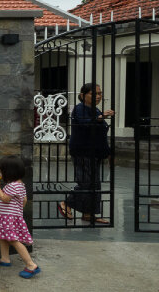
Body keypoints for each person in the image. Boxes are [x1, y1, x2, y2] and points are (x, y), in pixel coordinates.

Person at [60, 83, 113, 224]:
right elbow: (85, 124)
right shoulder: (79, 109)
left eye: (100, 93)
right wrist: (101, 117)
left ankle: (89, 214)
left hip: (94, 153)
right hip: (82, 151)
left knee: (95, 184)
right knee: (85, 182)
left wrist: (107, 152)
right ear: (83, 96)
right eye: (94, 93)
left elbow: (100, 134)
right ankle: (66, 203)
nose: (98, 96)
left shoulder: (94, 110)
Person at [0, 155, 39, 278]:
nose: (0, 173)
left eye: (1, 171)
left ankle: (31, 265)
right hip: (8, 216)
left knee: (13, 240)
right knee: (2, 236)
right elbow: (24, 200)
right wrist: (17, 211)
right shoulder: (20, 185)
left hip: (7, 217)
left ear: (8, 172)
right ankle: (5, 258)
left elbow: (5, 199)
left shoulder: (12, 186)